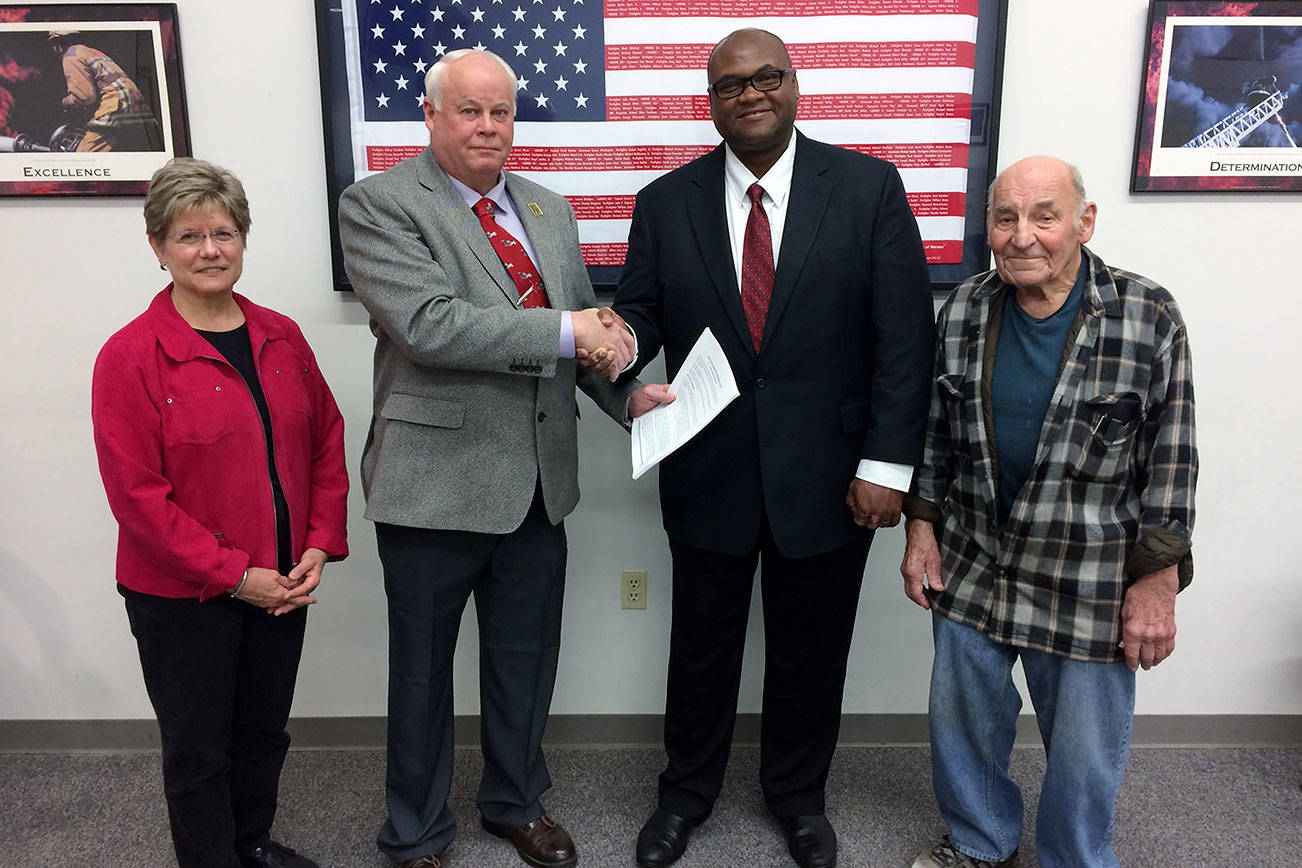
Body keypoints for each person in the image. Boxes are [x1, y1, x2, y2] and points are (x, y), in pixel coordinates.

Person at [613, 28, 935, 868]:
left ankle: (798, 799)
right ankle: (685, 796)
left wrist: (886, 466)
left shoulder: (868, 188)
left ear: (795, 86)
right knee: (701, 650)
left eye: (767, 78)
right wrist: (615, 354)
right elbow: (642, 313)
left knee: (810, 652)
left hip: (834, 478)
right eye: (730, 85)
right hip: (706, 466)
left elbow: (903, 339)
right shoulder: (666, 200)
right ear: (710, 100)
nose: (750, 94)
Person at [337, 49, 638, 868]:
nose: (487, 127)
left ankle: (514, 802)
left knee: (525, 664)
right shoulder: (379, 205)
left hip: (539, 485)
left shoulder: (548, 210)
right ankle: (416, 831)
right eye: (468, 110)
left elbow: (578, 339)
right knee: (423, 674)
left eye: (501, 111)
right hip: (431, 486)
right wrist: (575, 331)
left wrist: (628, 394)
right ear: (430, 117)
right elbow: (431, 325)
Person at [901, 156, 1197, 868]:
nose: (1023, 236)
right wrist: (920, 528)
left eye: (1044, 216)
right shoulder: (966, 307)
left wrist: (1156, 583)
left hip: (1087, 568)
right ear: (988, 228)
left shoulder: (1146, 313)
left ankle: (1075, 858)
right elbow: (935, 433)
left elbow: (1173, 453)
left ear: (1083, 221)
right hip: (976, 557)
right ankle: (978, 841)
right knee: (961, 721)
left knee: (1085, 748)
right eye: (1006, 218)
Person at [91, 157, 350, 868]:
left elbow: (325, 441)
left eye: (225, 232)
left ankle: (251, 842)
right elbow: (139, 501)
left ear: (243, 240)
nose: (210, 249)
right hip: (183, 597)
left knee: (264, 732)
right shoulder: (131, 356)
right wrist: (239, 576)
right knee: (199, 749)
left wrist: (318, 546)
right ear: (158, 248)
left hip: (283, 583)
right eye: (189, 236)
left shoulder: (282, 336)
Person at [47, 30, 157, 152]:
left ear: (57, 43)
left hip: (115, 102)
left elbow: (86, 97)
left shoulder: (70, 56)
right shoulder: (91, 51)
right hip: (135, 101)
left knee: (84, 158)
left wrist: (66, 102)